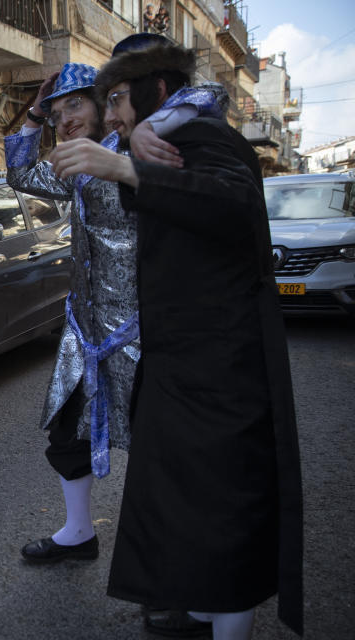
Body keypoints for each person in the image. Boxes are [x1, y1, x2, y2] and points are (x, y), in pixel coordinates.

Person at [50, 37, 303, 639]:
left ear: (156, 91)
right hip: (180, 362)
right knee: (181, 501)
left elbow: (230, 202)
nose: (110, 117)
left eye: (116, 100)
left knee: (222, 511)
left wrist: (123, 165)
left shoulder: (201, 138)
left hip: (217, 370)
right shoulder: (170, 135)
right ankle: (195, 606)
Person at [6, 60, 225, 569]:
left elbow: (209, 93)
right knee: (66, 434)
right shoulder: (80, 162)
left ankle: (181, 565)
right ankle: (78, 532)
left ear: (109, 102)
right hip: (83, 333)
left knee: (162, 452)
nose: (65, 120)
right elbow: (20, 174)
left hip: (143, 332)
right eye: (58, 112)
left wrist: (152, 123)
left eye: (75, 105)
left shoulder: (142, 148)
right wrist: (34, 117)